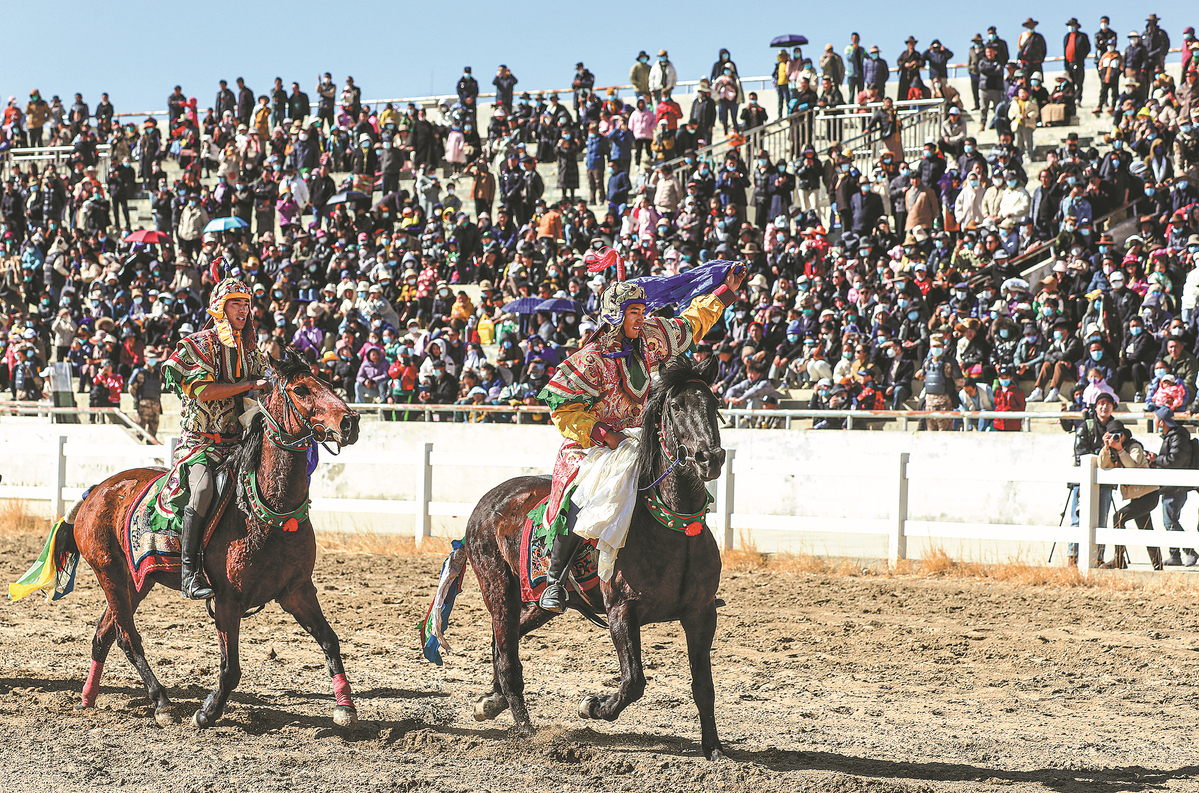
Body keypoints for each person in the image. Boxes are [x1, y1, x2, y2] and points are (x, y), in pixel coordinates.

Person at [535, 253, 744, 612]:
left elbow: (693, 323)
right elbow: (563, 408)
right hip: (592, 445)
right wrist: (604, 434)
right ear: (616, 315)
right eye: (634, 312)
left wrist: (726, 292)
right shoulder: (591, 359)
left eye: (642, 311)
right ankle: (555, 579)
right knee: (582, 493)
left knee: (680, 479)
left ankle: (689, 577)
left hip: (638, 439)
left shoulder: (653, 338)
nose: (641, 318)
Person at [161, 277, 269, 600]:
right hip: (199, 445)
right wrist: (249, 386)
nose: (243, 310)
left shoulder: (250, 351)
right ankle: (189, 571)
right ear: (220, 309)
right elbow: (202, 391)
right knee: (204, 488)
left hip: (237, 445)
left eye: (247, 304)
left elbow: (268, 381)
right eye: (236, 303)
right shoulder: (199, 345)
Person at [1063, 391, 1117, 566]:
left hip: (1106, 481)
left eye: (1108, 403)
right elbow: (1080, 453)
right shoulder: (1085, 426)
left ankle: (1098, 557)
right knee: (1077, 519)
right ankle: (1073, 556)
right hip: (1082, 481)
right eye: (1101, 403)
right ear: (1095, 406)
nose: (1104, 406)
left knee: (1102, 520)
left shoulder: (1116, 428)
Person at [1099, 421, 1161, 570]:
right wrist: (1106, 447)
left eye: (1119, 435)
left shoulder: (1135, 447)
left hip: (1148, 495)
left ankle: (1119, 560)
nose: (1116, 438)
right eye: (1112, 435)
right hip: (1137, 497)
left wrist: (1120, 450)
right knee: (1146, 529)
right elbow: (1103, 465)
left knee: (1118, 518)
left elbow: (1132, 467)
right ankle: (1158, 566)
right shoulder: (1112, 450)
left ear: (1125, 435)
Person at [1147, 407, 1198, 566]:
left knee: (1170, 521)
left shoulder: (1177, 437)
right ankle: (1175, 556)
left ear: (1161, 422)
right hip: (1172, 486)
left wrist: (1156, 459)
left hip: (1177, 487)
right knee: (1170, 520)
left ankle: (1190, 552)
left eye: (1156, 419)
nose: (1155, 422)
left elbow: (1175, 461)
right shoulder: (1173, 436)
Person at [128, 345, 163, 439]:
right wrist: (138, 399)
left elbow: (161, 386)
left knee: (153, 432)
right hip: (143, 405)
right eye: (151, 358)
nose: (153, 360)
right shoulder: (139, 372)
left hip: (155, 405)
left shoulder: (158, 373)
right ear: (145, 359)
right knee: (140, 431)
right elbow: (131, 388)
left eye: (154, 358)